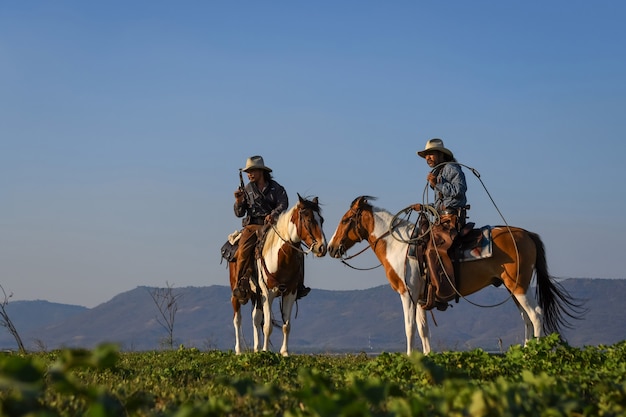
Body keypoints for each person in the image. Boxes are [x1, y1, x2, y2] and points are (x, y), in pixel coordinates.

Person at [232, 155, 311, 303]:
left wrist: (273, 214)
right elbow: (239, 213)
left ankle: (298, 284)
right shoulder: (247, 189)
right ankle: (240, 285)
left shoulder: (276, 188)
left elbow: (283, 204)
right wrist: (238, 201)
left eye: (252, 171)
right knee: (242, 250)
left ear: (261, 171)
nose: (249, 174)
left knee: (297, 248)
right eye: (248, 172)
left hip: (273, 226)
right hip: (252, 226)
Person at [413, 138, 468, 310]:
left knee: (432, 249)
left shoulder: (451, 169)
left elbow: (459, 191)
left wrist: (438, 184)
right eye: (426, 155)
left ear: (440, 155)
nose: (428, 158)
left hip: (451, 220)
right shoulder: (440, 172)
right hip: (442, 218)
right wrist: (424, 207)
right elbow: (441, 205)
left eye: (430, 154)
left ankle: (441, 293)